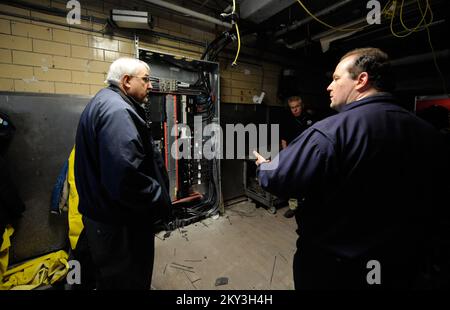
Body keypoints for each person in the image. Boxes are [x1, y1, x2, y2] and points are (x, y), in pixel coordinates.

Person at [254, 47, 450, 289]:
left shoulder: (330, 132)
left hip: (337, 269)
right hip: (404, 262)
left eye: (336, 78)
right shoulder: (428, 133)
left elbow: (279, 178)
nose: (329, 86)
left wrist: (265, 167)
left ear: (361, 80)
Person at [74, 57, 171, 289]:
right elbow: (125, 177)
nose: (150, 85)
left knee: (108, 275)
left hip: (102, 214)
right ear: (126, 81)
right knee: (128, 280)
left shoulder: (105, 100)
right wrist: (159, 198)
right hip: (119, 223)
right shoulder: (118, 112)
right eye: (146, 80)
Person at [280, 96, 316, 218]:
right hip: (292, 156)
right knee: (292, 183)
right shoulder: (287, 120)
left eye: (297, 107)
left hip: (308, 155)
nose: (294, 110)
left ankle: (309, 206)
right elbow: (284, 140)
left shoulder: (310, 118)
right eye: (292, 108)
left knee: (309, 181)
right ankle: (293, 207)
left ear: (302, 106)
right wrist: (286, 156)